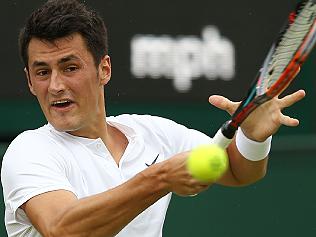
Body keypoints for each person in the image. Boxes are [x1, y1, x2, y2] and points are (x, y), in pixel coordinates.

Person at [1, 0, 306, 237]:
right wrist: (160, 178)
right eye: (43, 72)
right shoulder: (29, 151)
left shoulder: (152, 133)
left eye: (70, 68)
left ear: (103, 70)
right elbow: (63, 229)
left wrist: (254, 137)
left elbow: (240, 172)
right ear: (30, 81)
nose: (55, 85)